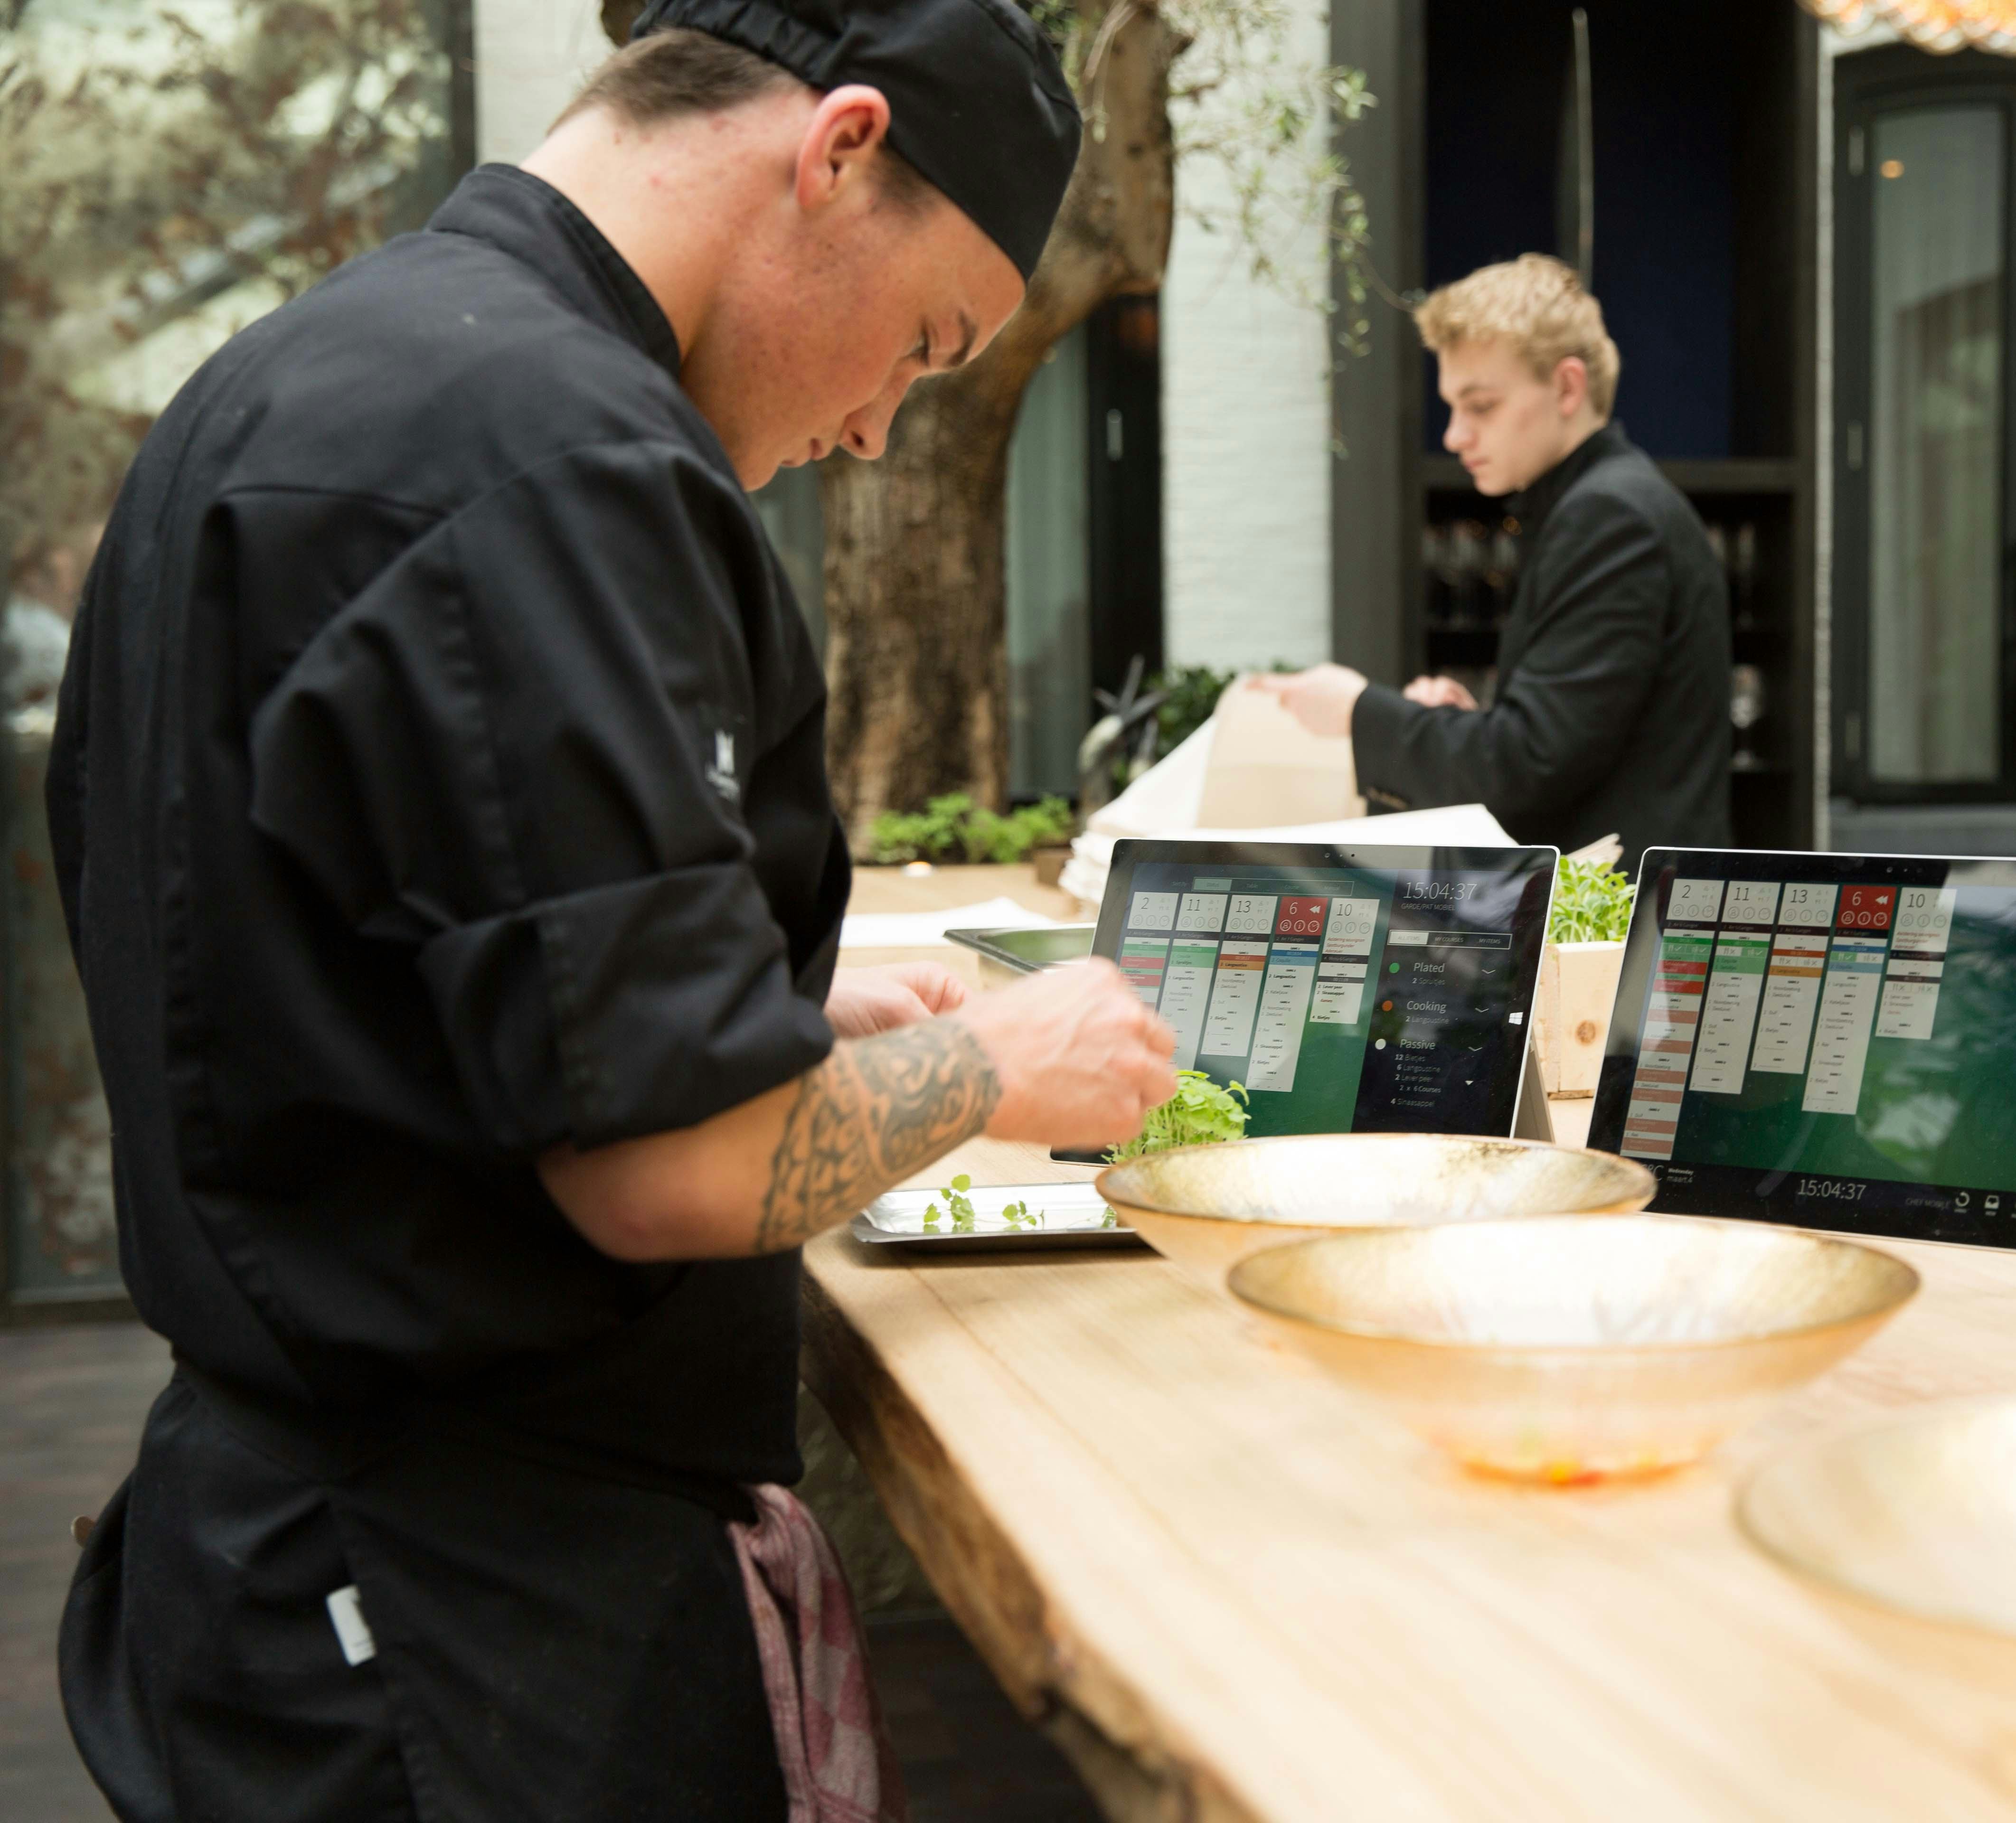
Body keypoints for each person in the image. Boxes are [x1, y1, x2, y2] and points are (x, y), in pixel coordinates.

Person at [48, 4, 1176, 1818]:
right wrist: (993, 1065)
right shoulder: (557, 451)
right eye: (921, 340)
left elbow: (386, 994)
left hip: (288, 1565)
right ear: (838, 151)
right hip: (457, 1635)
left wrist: (776, 1041)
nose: (883, 425)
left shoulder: (312, 372)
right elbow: (672, 1170)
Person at [1251, 254, 1732, 860]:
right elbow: (1567, 745)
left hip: (1621, 930)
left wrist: (1357, 711)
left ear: (1566, 387)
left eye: (1480, 407)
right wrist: (1471, 725)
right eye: (1454, 408)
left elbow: (1526, 766)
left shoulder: (1610, 516)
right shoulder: (1605, 503)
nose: (1454, 436)